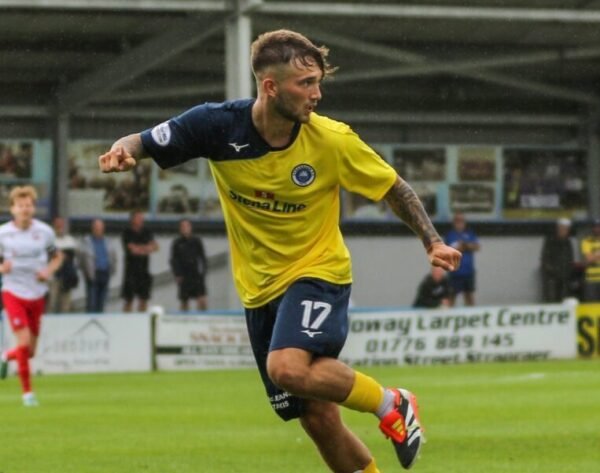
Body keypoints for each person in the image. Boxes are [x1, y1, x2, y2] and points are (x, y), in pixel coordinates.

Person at [99, 29, 461, 472]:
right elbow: (150, 140)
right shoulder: (216, 126)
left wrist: (433, 241)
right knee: (317, 417)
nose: (317, 94)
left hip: (318, 272)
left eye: (318, 82)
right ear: (270, 87)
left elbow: (394, 188)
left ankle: (392, 402)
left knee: (287, 368)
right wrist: (125, 149)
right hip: (259, 291)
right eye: (305, 84)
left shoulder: (333, 140)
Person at [0, 185, 64, 406]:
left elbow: (56, 257)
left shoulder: (44, 232)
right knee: (24, 341)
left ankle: (5, 357)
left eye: (28, 205)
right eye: (20, 206)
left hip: (37, 293)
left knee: (31, 351)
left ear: (34, 208)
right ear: (12, 209)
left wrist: (48, 271)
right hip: (13, 291)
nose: (25, 209)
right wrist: (2, 268)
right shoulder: (3, 233)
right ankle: (28, 394)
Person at [121, 211, 158, 312]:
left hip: (144, 271)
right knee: (129, 300)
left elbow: (155, 247)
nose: (141, 220)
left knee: (144, 299)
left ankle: (142, 320)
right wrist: (146, 248)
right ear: (132, 219)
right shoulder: (127, 232)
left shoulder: (147, 232)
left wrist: (140, 248)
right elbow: (132, 250)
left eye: (142, 218)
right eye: (138, 217)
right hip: (131, 272)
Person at [80, 218, 118, 313]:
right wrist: (86, 271)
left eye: (100, 227)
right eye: (96, 227)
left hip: (105, 273)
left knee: (102, 302)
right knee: (91, 303)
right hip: (93, 274)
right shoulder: (86, 241)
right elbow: (81, 258)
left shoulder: (108, 241)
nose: (98, 230)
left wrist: (112, 270)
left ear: (103, 229)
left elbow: (113, 257)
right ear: (92, 228)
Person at [170, 218, 208, 311]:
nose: (185, 228)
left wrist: (203, 272)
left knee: (202, 299)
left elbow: (202, 258)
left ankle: (203, 318)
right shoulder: (177, 243)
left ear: (191, 227)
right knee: (184, 300)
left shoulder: (196, 241)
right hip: (184, 275)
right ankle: (183, 320)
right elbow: (174, 260)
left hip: (196, 274)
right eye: (183, 226)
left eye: (187, 226)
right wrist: (177, 274)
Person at [445, 212, 480, 306]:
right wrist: (462, 247)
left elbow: (477, 247)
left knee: (469, 297)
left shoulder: (470, 233)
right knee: (451, 297)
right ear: (454, 222)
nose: (459, 223)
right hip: (455, 272)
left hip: (468, 272)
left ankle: (471, 317)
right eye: (457, 220)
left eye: (462, 220)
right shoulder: (450, 235)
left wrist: (465, 245)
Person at [47, 216, 79, 313]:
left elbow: (76, 257)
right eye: (57, 224)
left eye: (61, 224)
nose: (59, 226)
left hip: (67, 278)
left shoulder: (70, 240)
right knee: (51, 304)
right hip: (53, 277)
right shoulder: (49, 240)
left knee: (65, 305)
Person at [540, 218, 575, 303]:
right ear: (558, 228)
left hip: (565, 277)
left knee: (564, 300)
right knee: (552, 300)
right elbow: (545, 259)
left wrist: (568, 271)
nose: (565, 231)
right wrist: (554, 272)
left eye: (567, 229)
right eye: (563, 228)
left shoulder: (567, 241)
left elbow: (570, 258)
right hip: (552, 278)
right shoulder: (550, 240)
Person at [580, 219, 600, 302]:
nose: (597, 229)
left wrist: (594, 254)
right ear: (592, 228)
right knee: (591, 304)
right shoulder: (587, 241)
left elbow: (591, 257)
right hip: (591, 279)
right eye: (595, 227)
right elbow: (588, 259)